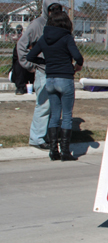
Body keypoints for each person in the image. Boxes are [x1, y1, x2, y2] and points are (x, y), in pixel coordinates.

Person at [26, 9, 83, 161]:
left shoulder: (44, 38)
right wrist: (78, 66)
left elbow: (31, 55)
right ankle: (65, 152)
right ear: (66, 23)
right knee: (67, 115)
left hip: (49, 78)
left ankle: (53, 151)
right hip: (65, 78)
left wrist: (45, 62)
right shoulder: (66, 37)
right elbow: (78, 57)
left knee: (54, 115)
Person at [16, 2, 64, 150]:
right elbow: (21, 45)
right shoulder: (37, 25)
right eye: (52, 10)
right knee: (44, 105)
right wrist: (30, 65)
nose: (55, 12)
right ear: (46, 10)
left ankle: (49, 135)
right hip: (43, 71)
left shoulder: (59, 23)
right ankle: (37, 138)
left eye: (58, 10)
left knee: (55, 106)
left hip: (58, 71)